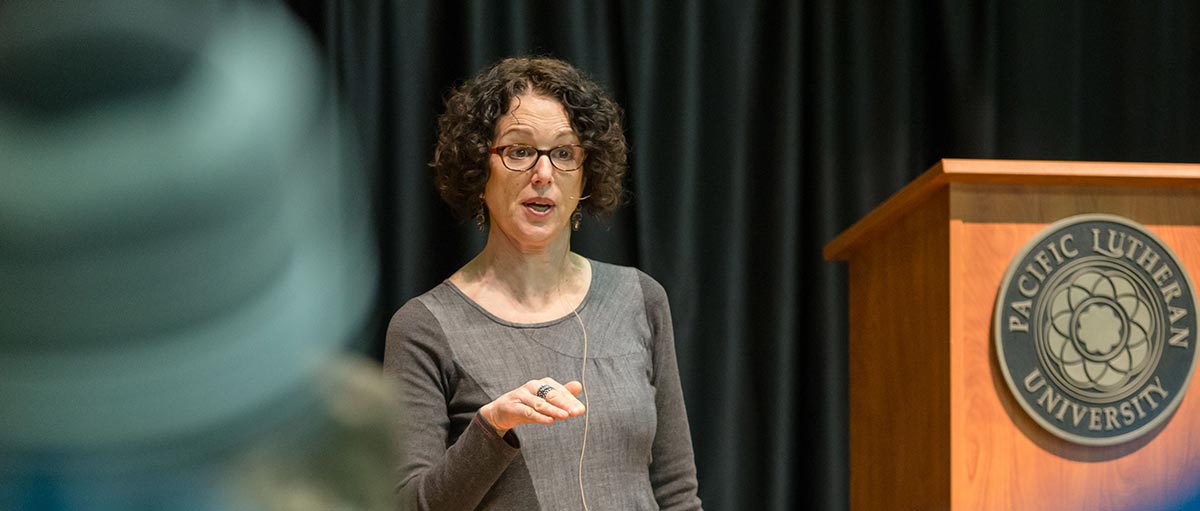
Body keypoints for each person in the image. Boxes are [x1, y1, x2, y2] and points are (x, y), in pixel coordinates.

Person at [385, 57, 702, 510]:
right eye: (519, 151)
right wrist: (490, 429)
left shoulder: (640, 298)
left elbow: (677, 491)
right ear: (479, 168)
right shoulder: (424, 327)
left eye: (564, 152)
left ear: (587, 174)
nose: (544, 174)